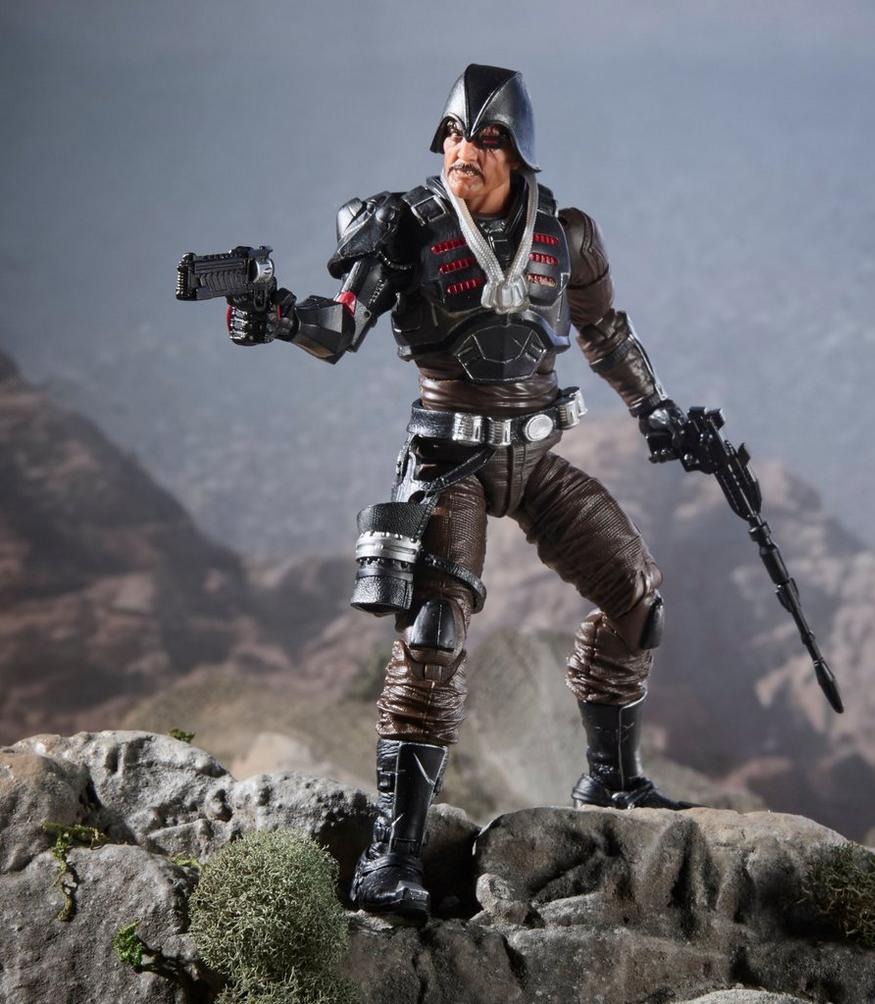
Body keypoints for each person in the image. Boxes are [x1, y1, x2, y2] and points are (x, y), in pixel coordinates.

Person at [227, 64, 698, 922]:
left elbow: (603, 331)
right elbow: (341, 328)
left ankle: (613, 781)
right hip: (450, 462)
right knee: (433, 637)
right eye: (450, 135)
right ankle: (393, 854)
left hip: (537, 458)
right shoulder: (404, 227)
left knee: (637, 598)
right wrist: (279, 316)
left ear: (515, 150)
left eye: (481, 139)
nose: (460, 153)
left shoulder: (569, 235)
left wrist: (654, 406)